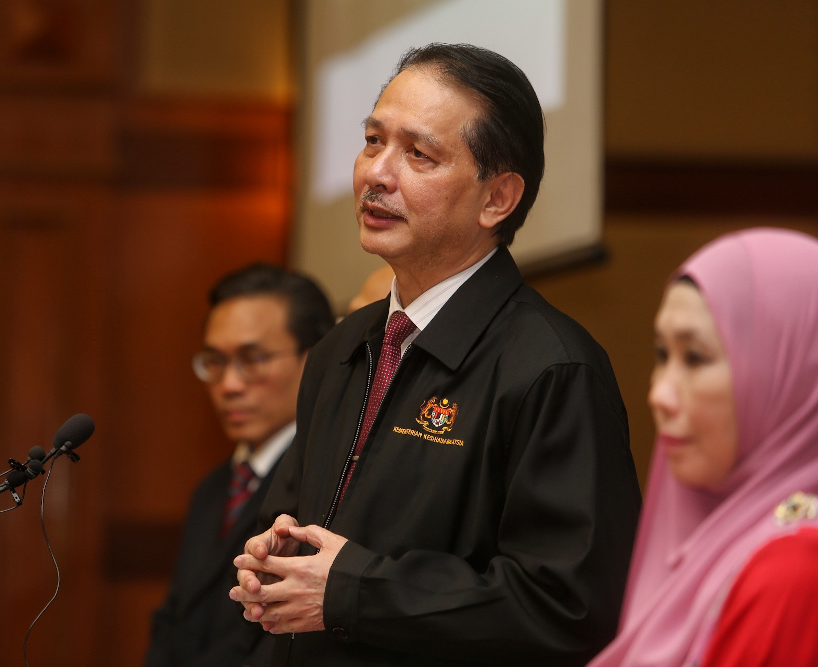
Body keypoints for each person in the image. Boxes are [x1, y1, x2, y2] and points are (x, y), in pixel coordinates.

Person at [230, 43, 642, 666]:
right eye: (373, 141)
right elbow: (297, 525)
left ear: (497, 199)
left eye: (418, 154)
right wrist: (273, 556)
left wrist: (356, 591)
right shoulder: (341, 347)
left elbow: (571, 606)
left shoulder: (552, 368)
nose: (376, 173)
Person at [588, 227, 818, 667]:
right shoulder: (718, 545)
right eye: (662, 355)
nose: (659, 394)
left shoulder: (792, 571)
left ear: (789, 376)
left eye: (694, 357)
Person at [144, 263, 335, 667]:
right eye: (214, 361)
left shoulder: (326, 483)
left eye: (254, 358)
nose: (229, 385)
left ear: (314, 358)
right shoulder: (213, 488)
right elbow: (175, 619)